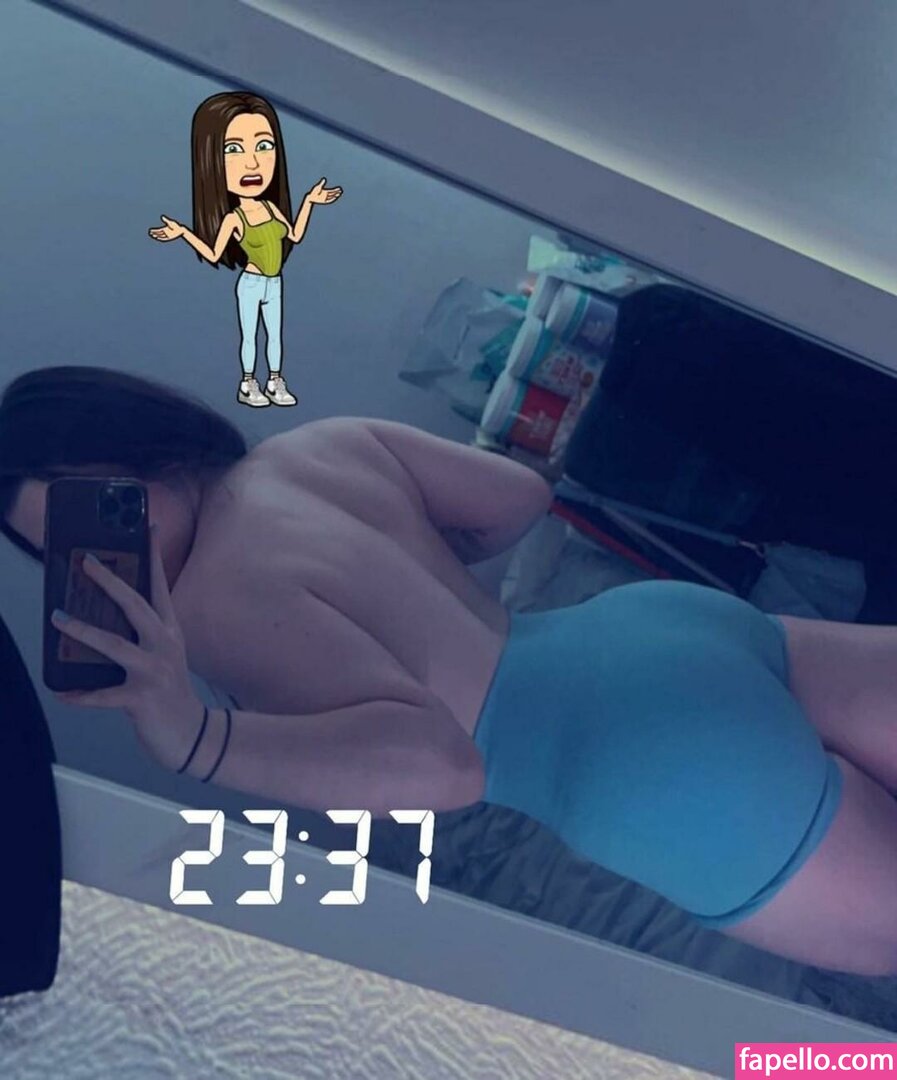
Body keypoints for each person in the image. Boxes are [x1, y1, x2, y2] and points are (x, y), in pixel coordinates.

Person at [2, 366, 897, 976]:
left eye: (101, 524)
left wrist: (196, 740)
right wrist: (416, 598)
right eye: (64, 555)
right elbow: (519, 497)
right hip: (651, 631)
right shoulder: (316, 448)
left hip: (632, 766)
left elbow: (443, 767)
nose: (115, 563)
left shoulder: (209, 609)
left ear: (146, 460)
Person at [148, 92, 342, 408]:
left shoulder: (271, 207)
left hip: (275, 282)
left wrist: (309, 202)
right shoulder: (234, 218)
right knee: (250, 336)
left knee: (275, 337)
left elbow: (294, 234)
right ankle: (248, 383)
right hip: (251, 283)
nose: (252, 163)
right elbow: (213, 254)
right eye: (233, 149)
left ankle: (275, 380)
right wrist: (183, 232)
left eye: (264, 146)